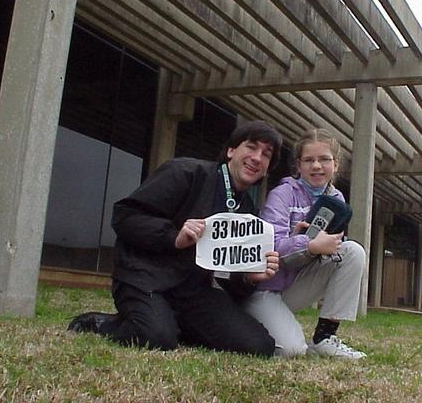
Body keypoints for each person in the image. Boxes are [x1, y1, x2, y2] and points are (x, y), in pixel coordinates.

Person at [67, 120, 282, 357]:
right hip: (145, 277)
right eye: (251, 147)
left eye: (266, 154)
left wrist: (249, 277)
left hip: (193, 290)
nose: (257, 158)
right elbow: (125, 216)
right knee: (156, 337)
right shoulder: (185, 172)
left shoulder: (248, 214)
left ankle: (170, 322)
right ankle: (102, 323)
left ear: (268, 167)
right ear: (231, 150)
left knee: (259, 346)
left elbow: (229, 280)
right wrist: (173, 236)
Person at [243, 128, 366, 359]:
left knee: (352, 252)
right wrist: (306, 243)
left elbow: (331, 247)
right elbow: (269, 249)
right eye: (309, 160)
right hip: (267, 288)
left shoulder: (336, 199)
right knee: (292, 350)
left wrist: (328, 245)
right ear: (298, 165)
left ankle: (324, 338)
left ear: (336, 165)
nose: (316, 166)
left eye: (324, 160)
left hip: (297, 284)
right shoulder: (282, 194)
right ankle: (250, 320)